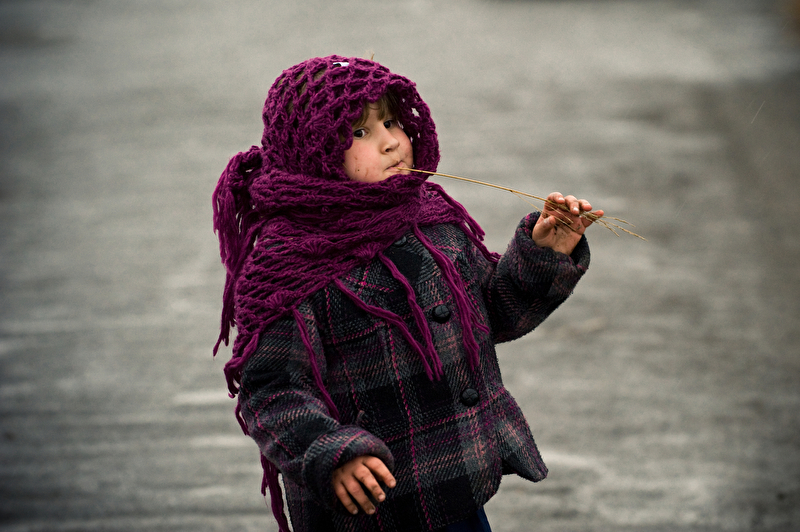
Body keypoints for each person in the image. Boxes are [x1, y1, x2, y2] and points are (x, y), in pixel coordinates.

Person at [212, 55, 603, 532]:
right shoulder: (289, 262)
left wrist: (543, 254)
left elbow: (493, 313)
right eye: (360, 132)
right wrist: (332, 453)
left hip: (457, 486)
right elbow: (272, 390)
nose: (391, 141)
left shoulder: (430, 219)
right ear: (313, 153)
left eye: (392, 121)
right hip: (372, 507)